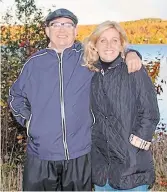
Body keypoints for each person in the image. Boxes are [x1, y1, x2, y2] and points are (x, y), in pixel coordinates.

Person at [8, 9, 142, 191]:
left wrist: (132, 53)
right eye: (56, 24)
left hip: (80, 155)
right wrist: (29, 122)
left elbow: (111, 51)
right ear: (47, 30)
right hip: (41, 156)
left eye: (68, 24)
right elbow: (15, 96)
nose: (62, 29)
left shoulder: (87, 56)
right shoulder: (34, 64)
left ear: (75, 30)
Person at [83, 20, 160, 191]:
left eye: (114, 40)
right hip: (102, 171)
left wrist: (134, 148)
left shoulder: (133, 69)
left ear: (121, 45)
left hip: (132, 170)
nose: (109, 45)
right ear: (95, 45)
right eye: (103, 40)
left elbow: (150, 113)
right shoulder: (92, 76)